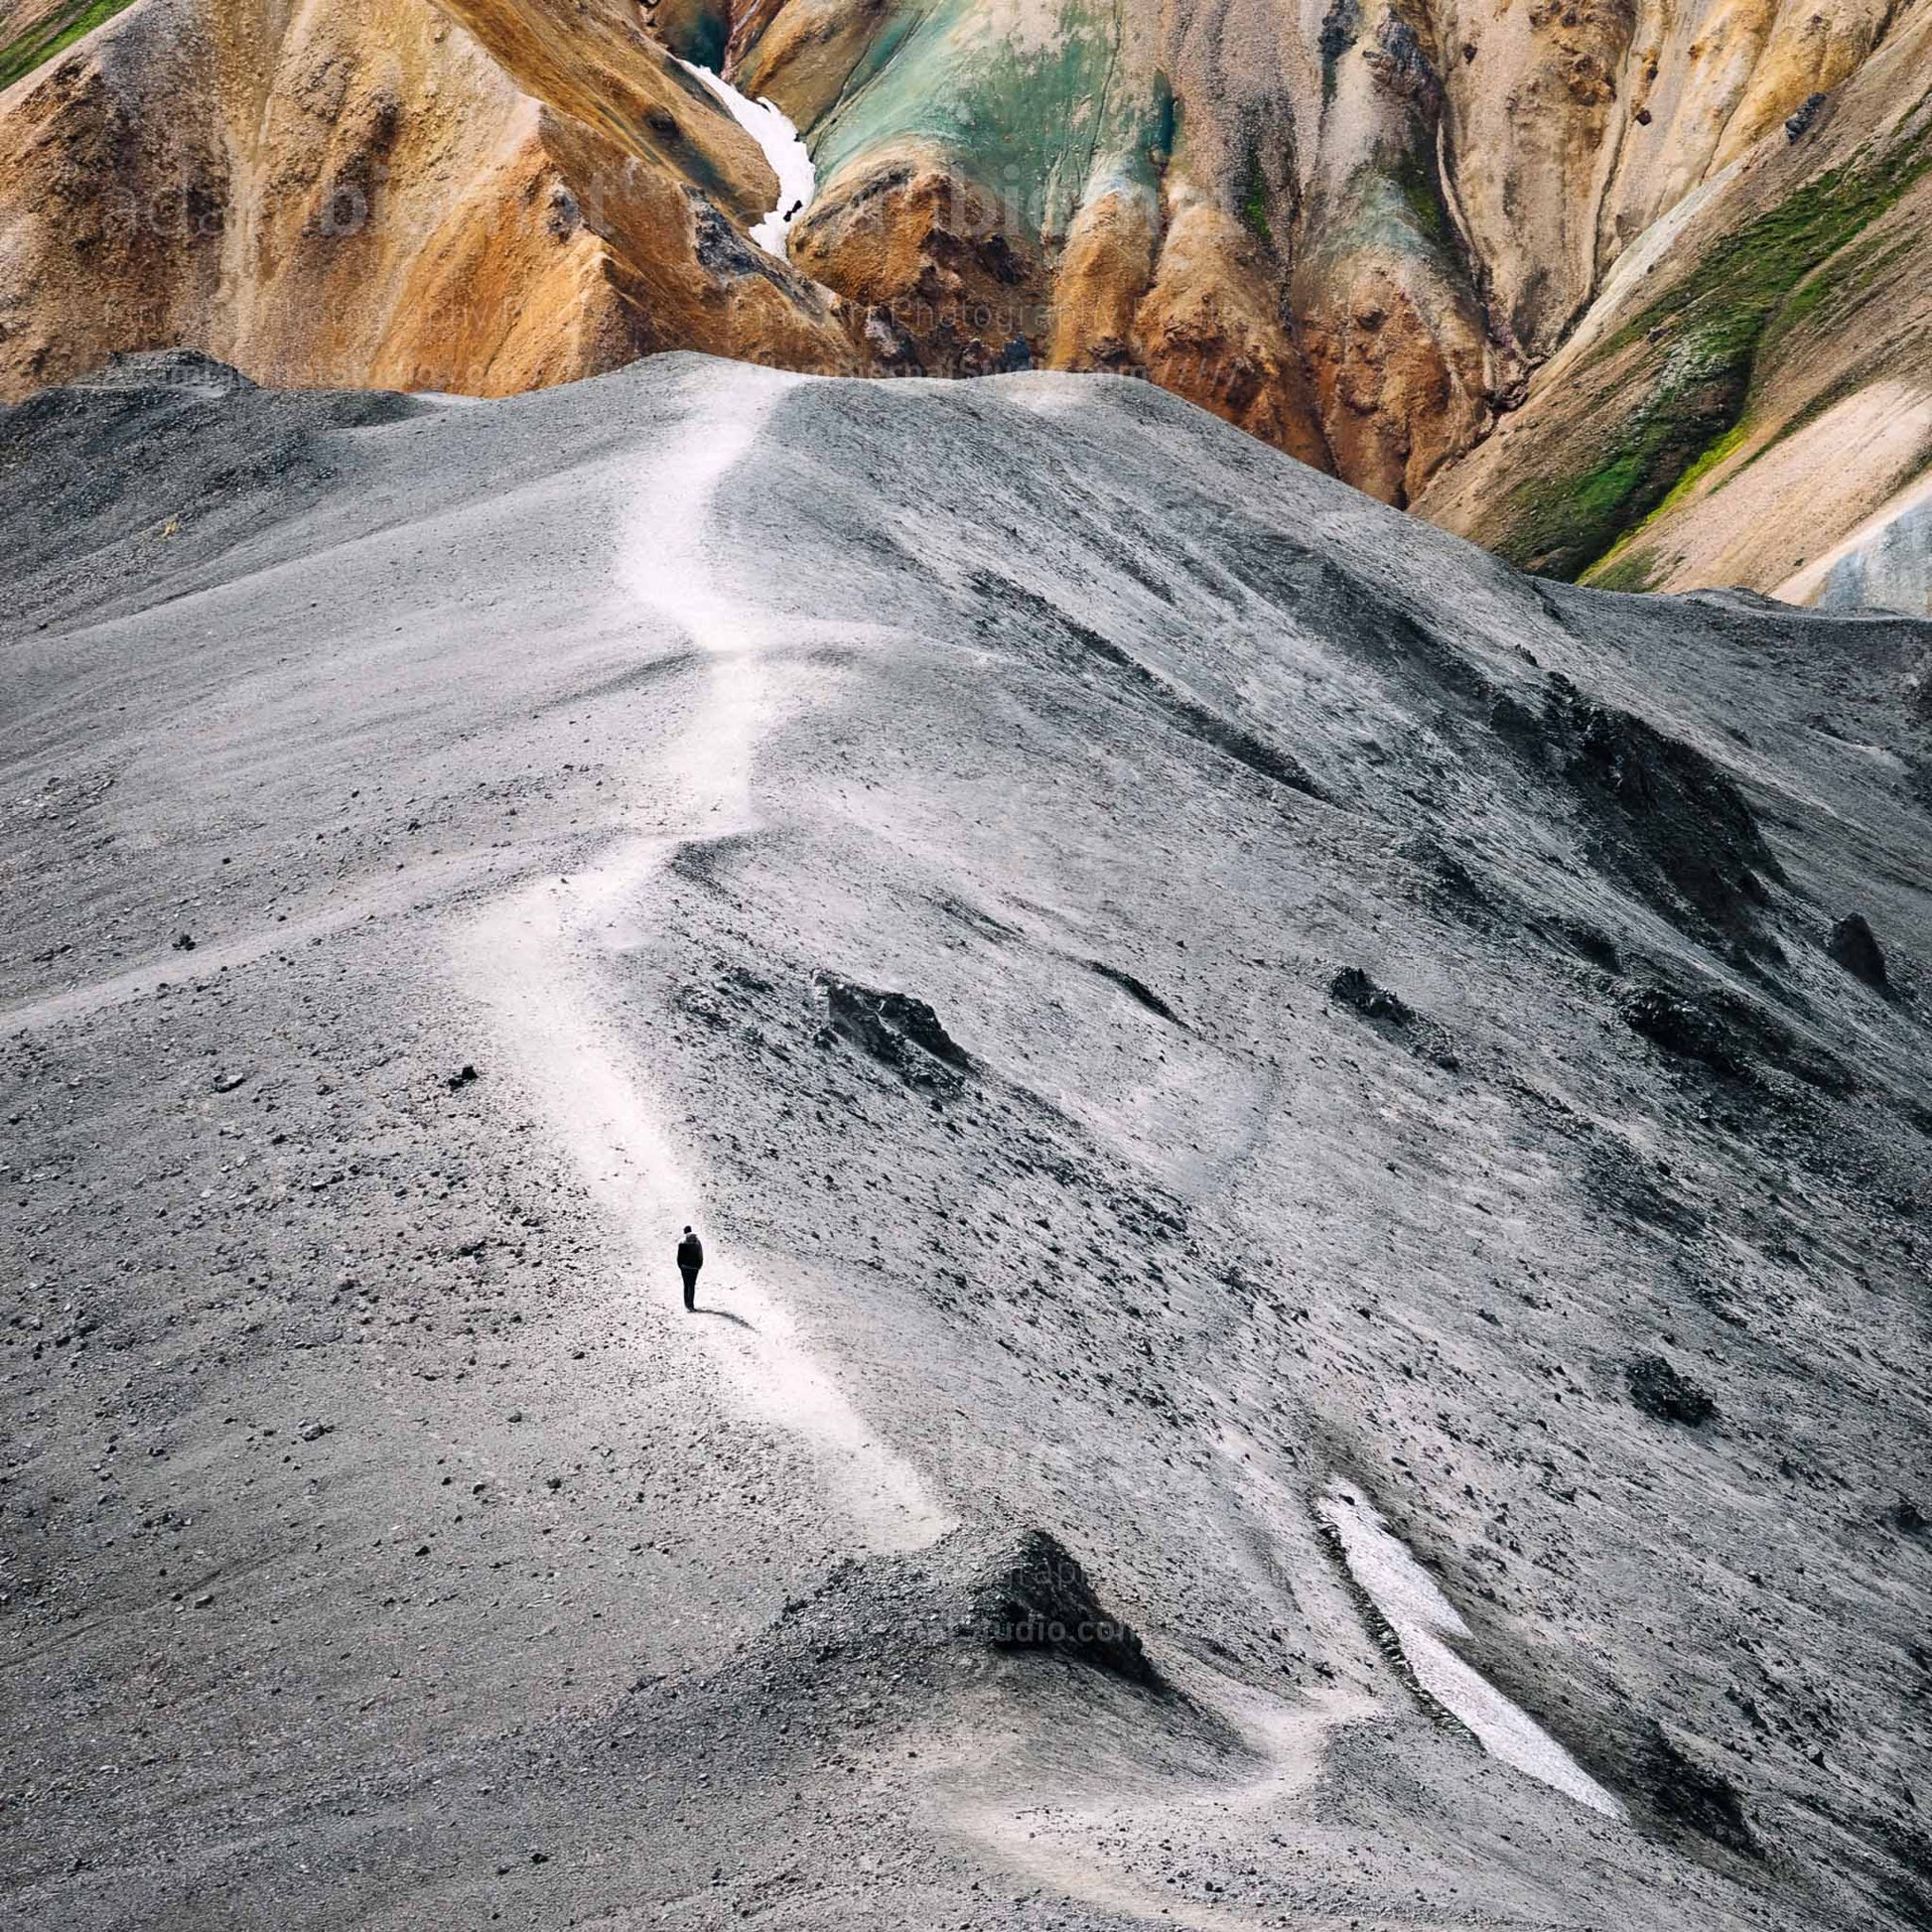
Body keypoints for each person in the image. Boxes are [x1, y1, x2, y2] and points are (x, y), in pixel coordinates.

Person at [676, 1225, 704, 1311]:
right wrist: (699, 1265)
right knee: (692, 1285)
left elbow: (679, 1257)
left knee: (686, 1285)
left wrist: (680, 1266)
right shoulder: (697, 1242)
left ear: (684, 1232)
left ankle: (686, 1304)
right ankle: (691, 1305)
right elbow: (700, 1255)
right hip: (695, 1267)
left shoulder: (682, 1242)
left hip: (685, 1267)